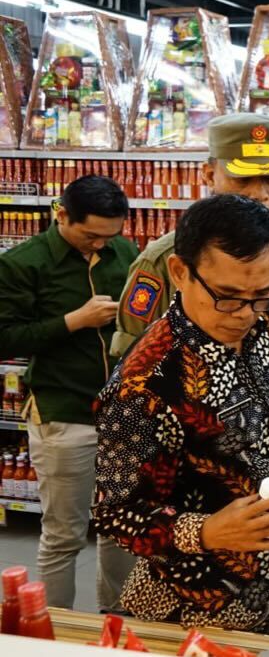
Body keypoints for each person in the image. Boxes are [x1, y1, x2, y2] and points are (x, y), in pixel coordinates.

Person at [91, 195, 269, 633]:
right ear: (179, 273)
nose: (246, 314)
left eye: (261, 295)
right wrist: (208, 531)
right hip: (199, 605)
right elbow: (114, 512)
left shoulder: (266, 323)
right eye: (227, 297)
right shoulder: (145, 384)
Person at [0, 175, 138, 611]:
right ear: (61, 214)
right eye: (91, 235)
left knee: (121, 529)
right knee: (64, 535)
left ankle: (118, 623)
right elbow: (6, 337)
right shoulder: (24, 262)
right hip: (63, 414)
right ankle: (55, 631)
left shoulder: (127, 253)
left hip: (125, 415)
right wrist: (72, 321)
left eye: (110, 236)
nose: (101, 245)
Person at [111, 114, 269, 357]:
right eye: (242, 179)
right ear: (209, 175)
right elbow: (133, 359)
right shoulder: (163, 259)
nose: (260, 194)